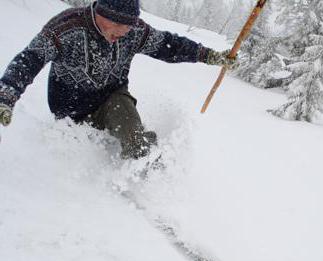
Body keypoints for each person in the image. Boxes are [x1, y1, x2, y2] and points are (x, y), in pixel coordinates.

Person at [0, 0, 236, 159]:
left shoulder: (132, 31)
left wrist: (209, 55)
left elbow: (168, 45)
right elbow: (30, 59)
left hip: (111, 99)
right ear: (103, 13)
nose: (124, 32)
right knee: (71, 152)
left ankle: (147, 173)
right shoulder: (66, 28)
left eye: (129, 26)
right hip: (68, 109)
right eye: (119, 25)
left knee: (136, 140)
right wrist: (6, 96)